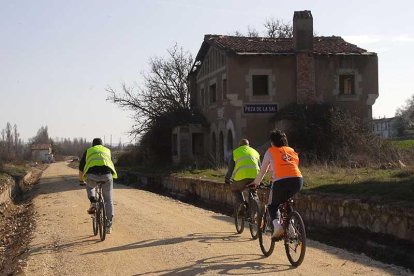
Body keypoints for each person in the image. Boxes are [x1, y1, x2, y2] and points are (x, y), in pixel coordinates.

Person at [252, 130, 303, 239]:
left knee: (272, 205)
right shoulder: (291, 150)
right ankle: (292, 230)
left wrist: (256, 182)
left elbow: (262, 171)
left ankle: (277, 227)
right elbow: (291, 165)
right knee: (286, 202)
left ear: (272, 142)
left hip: (280, 181)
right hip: (298, 180)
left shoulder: (270, 151)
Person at [79, 138, 117, 234]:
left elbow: (81, 167)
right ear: (102, 144)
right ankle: (108, 225)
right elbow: (112, 163)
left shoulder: (89, 151)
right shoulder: (107, 150)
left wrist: (81, 180)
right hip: (107, 176)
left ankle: (93, 202)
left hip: (92, 176)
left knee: (90, 186)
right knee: (108, 200)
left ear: (93, 145)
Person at [225, 138, 261, 212]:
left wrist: (227, 178)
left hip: (240, 178)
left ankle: (242, 204)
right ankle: (255, 212)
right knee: (253, 192)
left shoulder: (235, 152)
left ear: (239, 145)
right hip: (254, 178)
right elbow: (260, 167)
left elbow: (231, 168)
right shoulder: (255, 152)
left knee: (235, 189)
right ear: (248, 145)